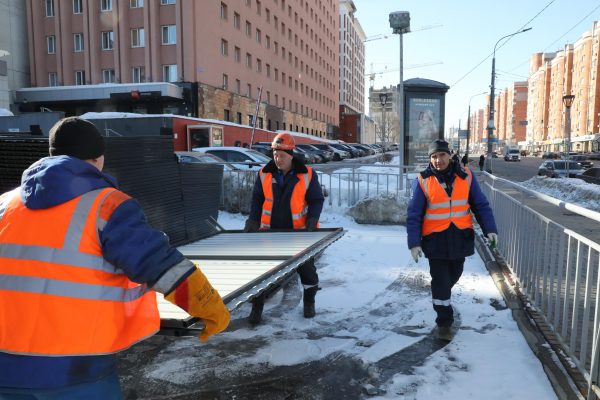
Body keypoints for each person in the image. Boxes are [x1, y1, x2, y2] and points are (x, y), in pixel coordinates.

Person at [0, 117, 230, 399]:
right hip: (75, 370)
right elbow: (159, 264)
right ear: (98, 159)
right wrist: (209, 306)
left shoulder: (6, 205)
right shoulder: (106, 204)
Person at [407, 139, 498, 341]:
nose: (438, 160)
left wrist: (489, 229)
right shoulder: (422, 180)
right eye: (434, 157)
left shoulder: (466, 176)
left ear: (449, 155)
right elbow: (414, 214)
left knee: (454, 275)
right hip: (435, 239)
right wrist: (414, 242)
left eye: (441, 155)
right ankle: (444, 322)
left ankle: (441, 295)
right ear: (430, 159)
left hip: (459, 237)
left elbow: (480, 205)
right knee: (441, 281)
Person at [244, 133, 324, 319]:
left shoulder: (307, 174)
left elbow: (316, 200)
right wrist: (253, 219)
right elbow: (257, 199)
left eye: (281, 156)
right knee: (263, 272)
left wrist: (313, 218)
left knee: (307, 271)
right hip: (269, 232)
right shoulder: (264, 173)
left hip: (300, 233)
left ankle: (309, 302)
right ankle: (257, 307)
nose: (277, 159)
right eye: (274, 155)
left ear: (291, 154)